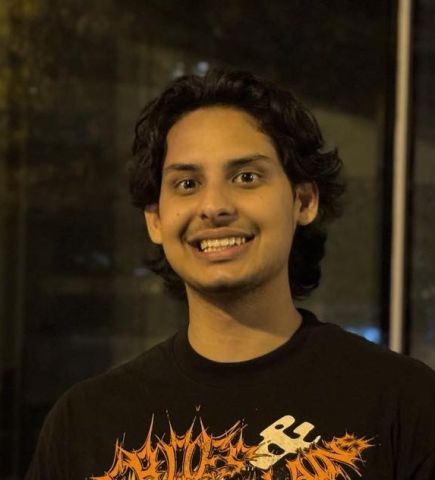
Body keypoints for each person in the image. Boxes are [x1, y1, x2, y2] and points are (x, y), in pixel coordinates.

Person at [26, 70, 435, 480]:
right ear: (155, 220)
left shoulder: (402, 403)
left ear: (304, 200)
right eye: (187, 183)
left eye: (246, 177)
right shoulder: (84, 423)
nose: (214, 206)